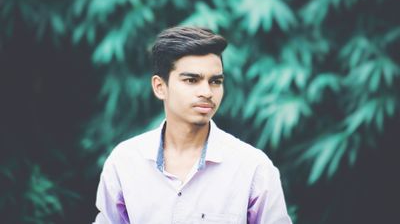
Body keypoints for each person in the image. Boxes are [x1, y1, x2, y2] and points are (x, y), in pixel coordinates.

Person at [93, 26, 292, 223]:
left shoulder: (253, 168)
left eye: (215, 81)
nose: (207, 92)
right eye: (191, 80)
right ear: (160, 87)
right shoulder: (125, 162)